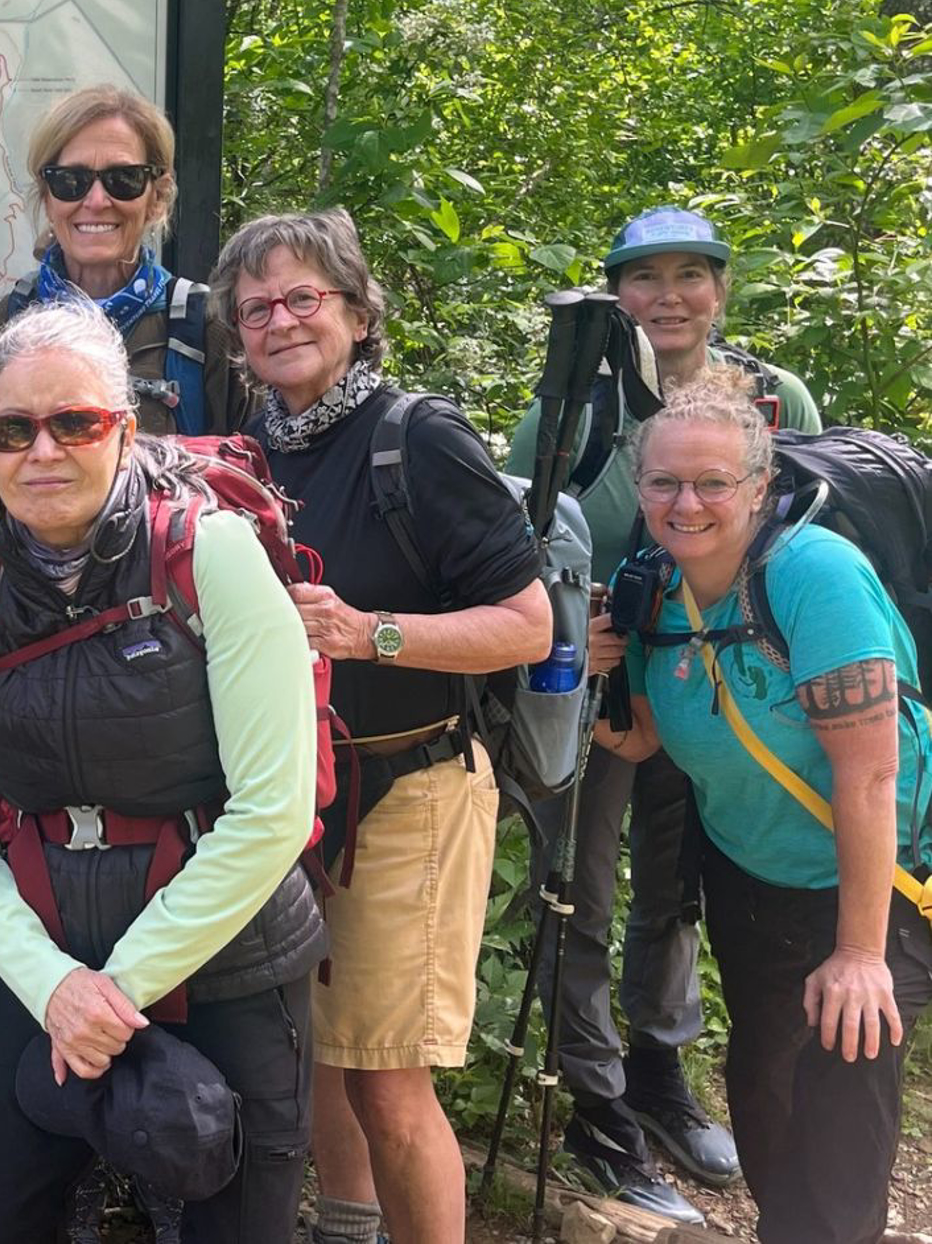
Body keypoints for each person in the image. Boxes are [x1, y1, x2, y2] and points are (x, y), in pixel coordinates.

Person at [0, 298, 326, 1243]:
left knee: (236, 1221)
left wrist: (117, 987)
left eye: (76, 422)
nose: (42, 451)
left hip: (231, 955)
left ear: (125, 429)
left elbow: (272, 808)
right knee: (0, 1217)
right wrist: (54, 986)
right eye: (12, 430)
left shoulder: (207, 556)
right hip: (47, 954)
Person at [209, 208, 551, 1244]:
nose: (280, 320)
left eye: (304, 297)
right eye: (256, 305)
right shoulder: (248, 446)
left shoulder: (419, 438)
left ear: (359, 313)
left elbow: (527, 625)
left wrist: (371, 635)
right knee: (322, 1044)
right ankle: (346, 1228)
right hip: (293, 799)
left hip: (413, 788)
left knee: (391, 1079)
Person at [505, 205, 822, 1220]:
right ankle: (599, 1111)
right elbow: (527, 553)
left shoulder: (777, 400)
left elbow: (808, 541)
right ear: (614, 294)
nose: (670, 298)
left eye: (692, 276)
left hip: (723, 689)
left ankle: (660, 1076)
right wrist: (569, 634)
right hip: (597, 692)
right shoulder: (569, 408)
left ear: (722, 289)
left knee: (679, 890)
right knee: (579, 891)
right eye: (645, 280)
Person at [587, 366, 932, 1244]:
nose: (685, 502)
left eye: (712, 482)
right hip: (747, 874)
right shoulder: (651, 583)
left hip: (871, 880)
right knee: (765, 1094)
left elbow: (867, 776)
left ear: (759, 484)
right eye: (664, 481)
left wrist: (860, 951)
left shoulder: (818, 574)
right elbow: (644, 741)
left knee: (838, 1114)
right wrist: (581, 671)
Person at [0, 84, 250, 438]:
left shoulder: (209, 329)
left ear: (157, 197)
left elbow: (248, 476)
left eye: (123, 179)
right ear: (47, 198)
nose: (96, 200)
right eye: (70, 180)